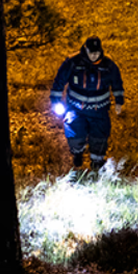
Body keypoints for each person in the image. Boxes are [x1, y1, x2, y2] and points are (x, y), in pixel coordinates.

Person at [50, 36, 124, 172]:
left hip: (100, 109)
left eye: (96, 52)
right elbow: (59, 81)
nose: (94, 55)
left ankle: (97, 163)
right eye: (91, 52)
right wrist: (56, 101)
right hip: (76, 108)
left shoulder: (108, 65)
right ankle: (77, 154)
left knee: (100, 137)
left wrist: (119, 101)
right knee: (75, 133)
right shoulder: (72, 63)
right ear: (85, 50)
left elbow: (117, 83)